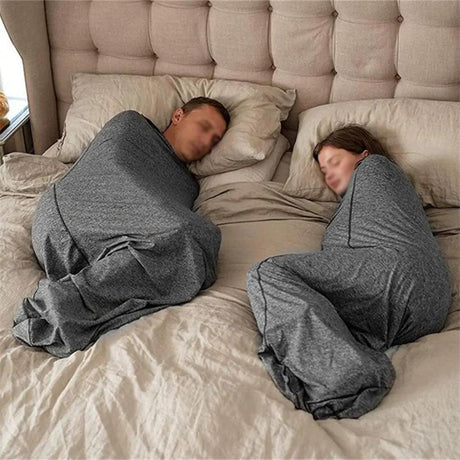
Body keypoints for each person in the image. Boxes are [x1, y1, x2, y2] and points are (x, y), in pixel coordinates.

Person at [247, 125, 451, 420]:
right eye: (323, 170)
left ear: (362, 155)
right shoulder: (370, 203)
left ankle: (347, 380)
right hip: (427, 308)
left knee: (267, 271)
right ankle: (342, 370)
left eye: (335, 162)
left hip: (396, 274)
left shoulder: (375, 167)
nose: (328, 175)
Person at [12, 97, 230, 358]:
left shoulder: (189, 185)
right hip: (69, 214)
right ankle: (60, 307)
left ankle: (68, 303)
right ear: (178, 116)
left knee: (187, 245)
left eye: (214, 140)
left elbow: (156, 222)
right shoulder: (133, 125)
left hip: (103, 249)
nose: (206, 142)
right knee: (193, 236)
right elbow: (111, 164)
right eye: (204, 127)